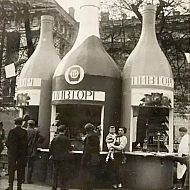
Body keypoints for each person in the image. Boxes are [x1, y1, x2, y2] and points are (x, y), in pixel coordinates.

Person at [5, 117, 28, 190]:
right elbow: (26, 144)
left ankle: (11, 185)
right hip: (21, 155)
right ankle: (19, 186)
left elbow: (7, 143)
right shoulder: (24, 132)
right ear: (21, 123)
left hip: (12, 154)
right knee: (20, 170)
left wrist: (11, 149)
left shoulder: (12, 131)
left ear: (15, 123)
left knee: (11, 169)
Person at [49, 125, 72, 190]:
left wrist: (51, 155)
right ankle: (63, 187)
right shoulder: (66, 139)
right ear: (64, 131)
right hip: (63, 158)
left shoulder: (55, 138)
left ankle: (54, 187)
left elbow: (51, 148)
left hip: (55, 158)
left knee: (55, 173)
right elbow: (69, 148)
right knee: (63, 173)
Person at [80, 123, 100, 190]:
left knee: (86, 175)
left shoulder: (88, 137)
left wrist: (83, 160)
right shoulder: (96, 136)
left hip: (88, 158)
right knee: (92, 175)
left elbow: (87, 149)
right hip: (95, 157)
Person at [26, 119, 44, 184]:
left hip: (25, 150)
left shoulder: (25, 131)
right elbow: (42, 138)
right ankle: (28, 179)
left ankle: (22, 179)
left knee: (23, 165)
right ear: (33, 125)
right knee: (30, 166)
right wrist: (37, 143)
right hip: (32, 150)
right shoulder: (36, 131)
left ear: (28, 124)